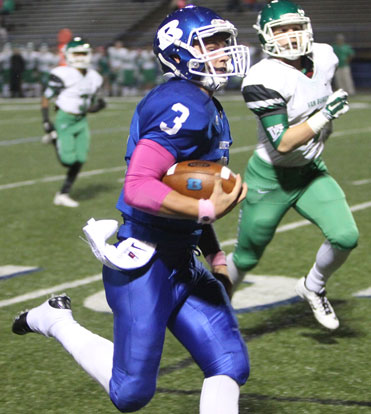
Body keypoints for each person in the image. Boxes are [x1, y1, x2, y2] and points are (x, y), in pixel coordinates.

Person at [12, 6, 250, 414]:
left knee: (230, 363)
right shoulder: (182, 103)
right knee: (131, 393)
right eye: (210, 42)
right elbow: (139, 186)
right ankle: (55, 320)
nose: (224, 50)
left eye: (223, 41)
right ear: (179, 51)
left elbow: (187, 196)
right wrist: (207, 209)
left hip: (182, 258)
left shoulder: (207, 103)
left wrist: (214, 254)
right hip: (146, 262)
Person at [227, 0, 359, 330]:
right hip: (271, 178)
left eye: (295, 28)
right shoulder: (263, 77)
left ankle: (312, 287)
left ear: (307, 27)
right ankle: (216, 305)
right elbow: (283, 142)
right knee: (246, 257)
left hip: (311, 171)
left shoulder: (326, 56)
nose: (290, 36)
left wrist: (323, 119)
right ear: (266, 37)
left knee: (345, 237)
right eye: (281, 30)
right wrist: (325, 115)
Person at [41, 36, 106, 207]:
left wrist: (97, 107)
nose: (80, 56)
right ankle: (55, 138)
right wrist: (46, 121)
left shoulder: (94, 76)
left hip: (81, 119)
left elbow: (89, 104)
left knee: (81, 158)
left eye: (83, 53)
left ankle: (63, 193)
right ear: (68, 54)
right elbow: (47, 97)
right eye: (76, 53)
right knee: (67, 161)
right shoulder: (62, 73)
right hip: (65, 119)